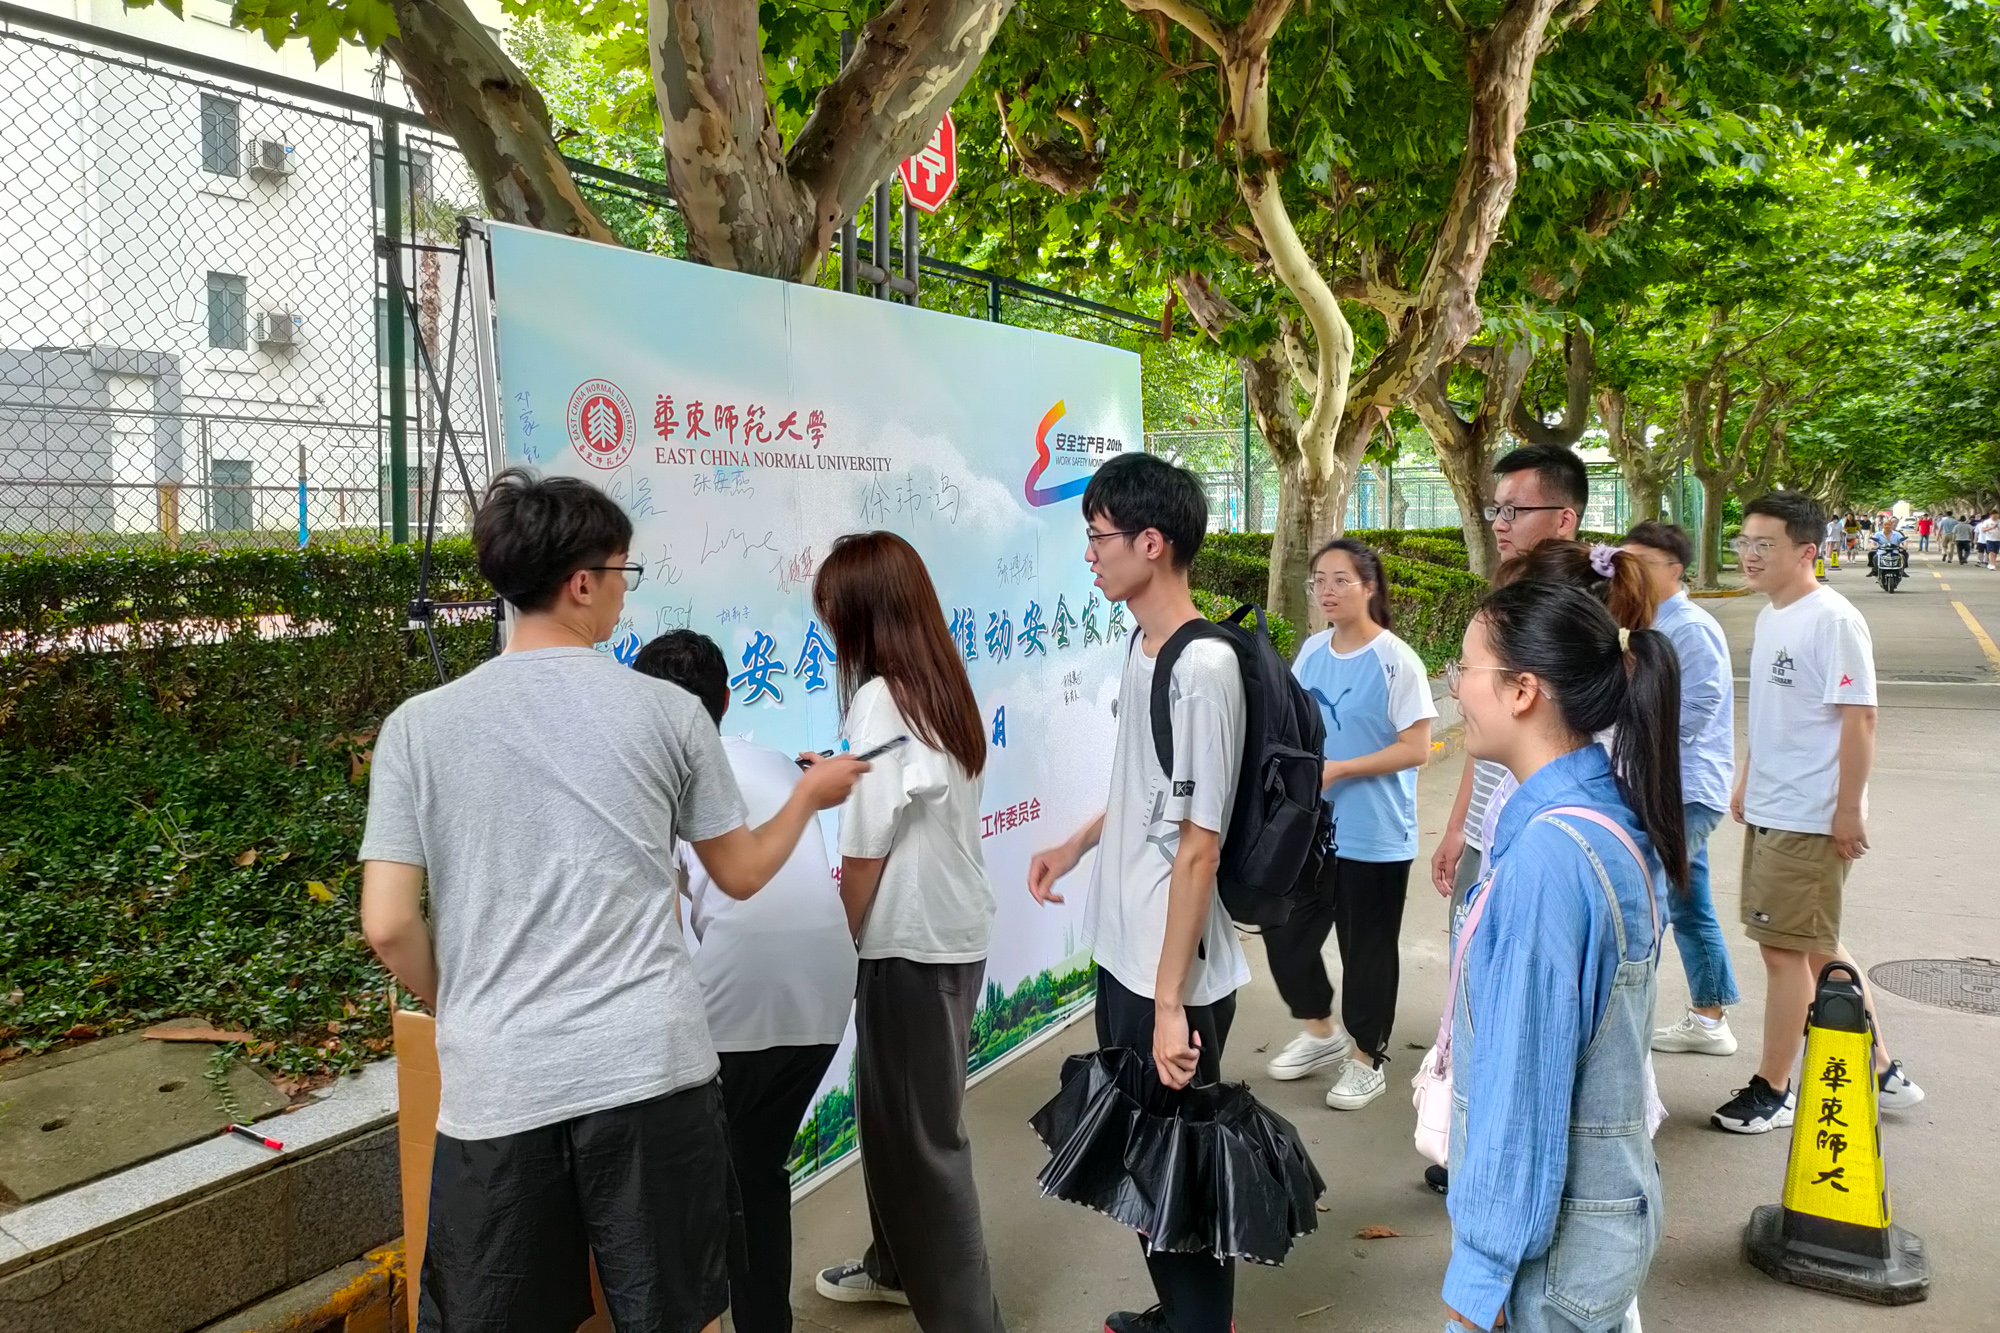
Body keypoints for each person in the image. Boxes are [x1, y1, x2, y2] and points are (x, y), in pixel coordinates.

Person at [358, 469, 867, 1333]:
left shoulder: (418, 726)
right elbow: (741, 872)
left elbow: (388, 921)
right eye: (624, 571)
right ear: (582, 582)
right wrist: (808, 799)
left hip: (500, 1082)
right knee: (671, 1312)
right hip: (650, 1069)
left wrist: (465, 999)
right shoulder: (668, 713)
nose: (627, 592)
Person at [1027, 451, 1247, 1333]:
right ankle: (1179, 1315)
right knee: (1148, 1160)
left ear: (1150, 542)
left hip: (1172, 970)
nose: (1090, 554)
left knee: (1180, 1169)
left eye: (1099, 536)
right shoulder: (1141, 646)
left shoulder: (1205, 668)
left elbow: (1200, 846)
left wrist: (1168, 1002)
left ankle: (1200, 1324)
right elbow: (1148, 787)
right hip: (1130, 954)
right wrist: (1078, 843)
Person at [1441, 581, 1687, 1333]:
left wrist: (1477, 1283)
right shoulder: (1602, 810)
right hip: (1596, 1228)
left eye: (1465, 669)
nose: (1454, 688)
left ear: (1523, 690)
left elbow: (1522, 1091)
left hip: (1548, 1262)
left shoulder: (1550, 858)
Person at [805, 533, 1007, 1331]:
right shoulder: (937, 683)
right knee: (895, 1123)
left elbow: (865, 848)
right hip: (949, 930)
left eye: (833, 609)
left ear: (866, 612)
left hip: (909, 943)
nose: (828, 624)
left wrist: (841, 942)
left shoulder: (881, 699)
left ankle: (969, 1321)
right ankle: (893, 1265)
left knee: (921, 1142)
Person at [636, 630, 858, 1333]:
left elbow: (667, 921)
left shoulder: (659, 780)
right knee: (757, 1169)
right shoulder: (773, 760)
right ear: (727, 699)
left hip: (736, 1003)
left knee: (710, 1183)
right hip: (826, 994)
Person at [1711, 491, 1924, 1135]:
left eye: (1764, 544)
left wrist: (1848, 809)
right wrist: (1748, 778)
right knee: (1813, 945)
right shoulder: (1774, 613)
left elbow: (1861, 718)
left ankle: (1774, 1089)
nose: (1748, 554)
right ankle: (1879, 1068)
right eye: (1744, 541)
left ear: (1807, 551)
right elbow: (1778, 713)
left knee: (1783, 950)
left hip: (1810, 813)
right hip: (1776, 803)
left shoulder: (1832, 620)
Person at [1424, 443, 1584, 1196]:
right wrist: (1460, 825)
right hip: (1497, 832)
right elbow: (1486, 746)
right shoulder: (1507, 602)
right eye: (1496, 508)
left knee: (1529, 1013)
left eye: (1514, 509)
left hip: (1537, 838)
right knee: (1478, 992)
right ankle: (1471, 1137)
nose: (1499, 522)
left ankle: (1502, 1165)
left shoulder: (1575, 620)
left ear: (1565, 518)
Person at [1263, 538, 1436, 1110]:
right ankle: (1320, 1033)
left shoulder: (1397, 660)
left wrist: (1340, 769)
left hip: (1375, 834)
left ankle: (1366, 1057)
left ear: (1369, 587)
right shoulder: (1313, 650)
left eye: (1341, 580)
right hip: (1312, 830)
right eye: (1319, 580)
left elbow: (1417, 748)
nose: (1327, 591)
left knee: (1367, 953)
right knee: (1285, 933)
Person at [1622, 522, 1743, 1057]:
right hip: (1671, 787)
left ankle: (1623, 1019)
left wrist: (1633, 739)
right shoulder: (1649, 622)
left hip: (1684, 791)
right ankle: (1710, 1018)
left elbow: (1699, 706)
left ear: (1674, 570)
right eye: (1624, 561)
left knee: (1644, 900)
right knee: (1689, 903)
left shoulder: (1688, 627)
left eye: (1642, 563)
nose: (1629, 572)